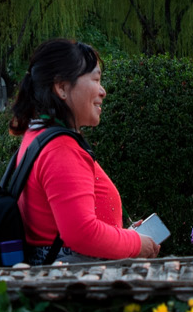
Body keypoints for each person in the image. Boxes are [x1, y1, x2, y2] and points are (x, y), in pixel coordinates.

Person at [9, 38, 159, 263]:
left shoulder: (38, 136)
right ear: (61, 87)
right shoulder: (59, 149)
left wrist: (123, 235)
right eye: (96, 79)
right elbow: (82, 233)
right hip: (77, 283)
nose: (103, 91)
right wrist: (137, 244)